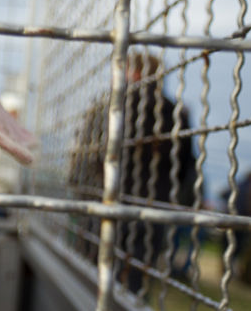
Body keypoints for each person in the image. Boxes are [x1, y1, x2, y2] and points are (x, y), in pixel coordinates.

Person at [69, 53, 198, 294]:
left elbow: (84, 161)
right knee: (131, 286)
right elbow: (185, 170)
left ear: (134, 73)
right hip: (150, 212)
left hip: (103, 205)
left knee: (87, 281)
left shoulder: (108, 107)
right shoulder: (176, 114)